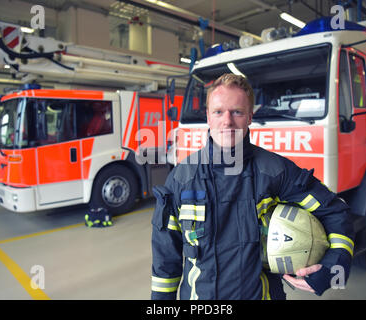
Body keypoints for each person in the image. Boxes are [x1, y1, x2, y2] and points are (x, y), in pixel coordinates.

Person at [150, 73, 354, 300]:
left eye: (236, 112)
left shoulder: (275, 171)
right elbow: (165, 259)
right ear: (208, 117)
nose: (227, 121)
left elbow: (334, 211)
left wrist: (331, 269)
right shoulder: (181, 179)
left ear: (249, 117)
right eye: (218, 112)